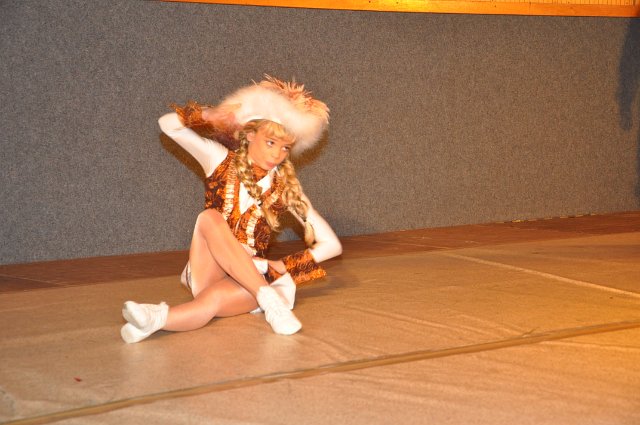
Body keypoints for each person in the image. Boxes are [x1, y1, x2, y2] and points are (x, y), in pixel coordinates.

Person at [120, 76, 342, 343]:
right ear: (250, 135)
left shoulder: (285, 188)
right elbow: (167, 125)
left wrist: (282, 266)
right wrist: (208, 115)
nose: (277, 155)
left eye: (285, 148)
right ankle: (269, 299)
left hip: (251, 278)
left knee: (211, 301)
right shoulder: (219, 159)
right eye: (270, 143)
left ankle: (153, 318)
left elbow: (332, 245)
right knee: (209, 217)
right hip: (208, 269)